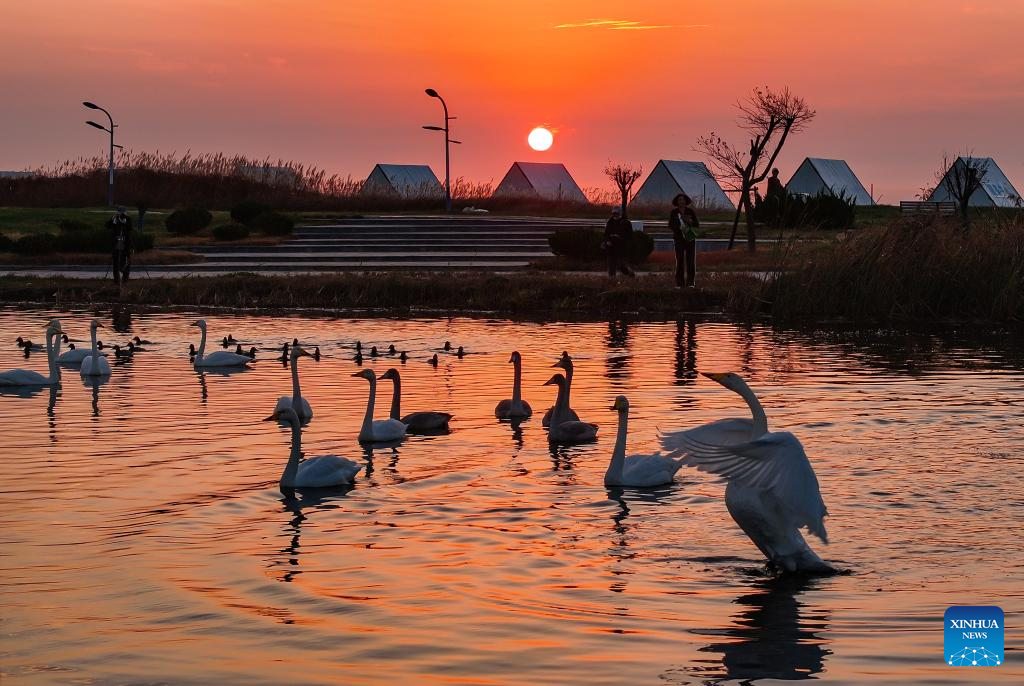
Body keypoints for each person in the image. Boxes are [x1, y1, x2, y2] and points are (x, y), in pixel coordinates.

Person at [669, 193, 699, 288]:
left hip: (689, 238)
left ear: (686, 201)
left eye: (683, 200)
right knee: (679, 261)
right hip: (678, 239)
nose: (681, 201)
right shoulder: (674, 212)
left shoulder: (690, 211)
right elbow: (670, 225)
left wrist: (690, 222)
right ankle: (679, 283)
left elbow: (697, 224)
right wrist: (678, 227)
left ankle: (691, 283)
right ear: (677, 202)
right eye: (679, 200)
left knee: (690, 261)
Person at [604, 207, 634, 277]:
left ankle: (630, 274)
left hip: (621, 247)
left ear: (620, 213)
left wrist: (621, 237)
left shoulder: (626, 222)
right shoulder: (610, 222)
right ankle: (612, 280)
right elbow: (606, 234)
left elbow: (629, 235)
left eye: (617, 214)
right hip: (611, 247)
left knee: (621, 265)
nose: (615, 215)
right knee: (611, 265)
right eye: (614, 214)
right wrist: (607, 240)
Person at [106, 206, 133, 284]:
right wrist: (112, 220)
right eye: (119, 212)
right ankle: (116, 280)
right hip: (116, 242)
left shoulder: (128, 218)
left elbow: (130, 228)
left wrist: (124, 222)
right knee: (115, 261)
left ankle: (125, 279)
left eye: (122, 212)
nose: (121, 214)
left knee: (126, 261)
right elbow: (107, 226)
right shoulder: (115, 218)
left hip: (125, 243)